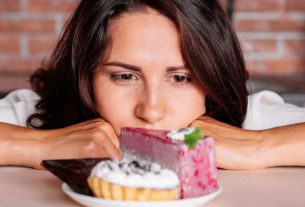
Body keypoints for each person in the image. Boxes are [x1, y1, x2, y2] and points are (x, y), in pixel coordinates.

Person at [0, 0, 304, 171]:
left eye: (180, 78)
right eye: (124, 76)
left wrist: (261, 146)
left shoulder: (247, 122)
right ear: (86, 79)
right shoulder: (41, 116)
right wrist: (41, 145)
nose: (151, 111)